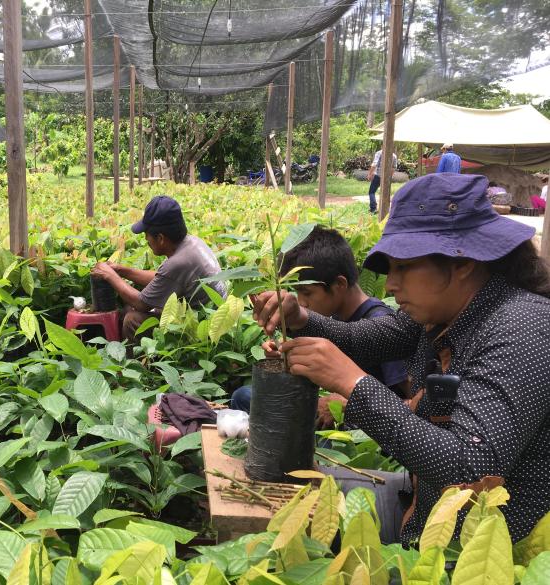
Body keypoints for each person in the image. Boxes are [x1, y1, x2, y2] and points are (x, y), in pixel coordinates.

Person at [253, 173, 550, 546]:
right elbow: (364, 338)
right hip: (418, 504)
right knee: (284, 493)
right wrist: (300, 319)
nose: (390, 285)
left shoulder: (521, 328)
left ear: (462, 262)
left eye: (403, 267)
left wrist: (353, 385)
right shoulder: (443, 313)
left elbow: (471, 467)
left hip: (460, 552)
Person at [230, 226, 409, 427]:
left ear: (339, 285)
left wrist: (348, 404)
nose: (301, 302)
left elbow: (405, 397)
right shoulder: (333, 316)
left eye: (307, 293)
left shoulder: (381, 321)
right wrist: (288, 356)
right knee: (244, 396)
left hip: (355, 427)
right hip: (328, 408)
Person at [92, 195, 226, 341]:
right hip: (212, 313)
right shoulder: (192, 243)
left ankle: (141, 363)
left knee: (132, 319)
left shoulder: (178, 262)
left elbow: (141, 303)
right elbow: (162, 277)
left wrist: (110, 276)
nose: (145, 239)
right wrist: (122, 270)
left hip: (205, 327)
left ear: (161, 238)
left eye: (146, 234)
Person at [367, 148, 398, 214]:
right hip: (387, 177)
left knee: (371, 192)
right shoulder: (394, 155)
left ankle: (373, 209)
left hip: (378, 176)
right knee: (386, 193)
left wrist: (370, 174)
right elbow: (394, 167)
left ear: (382, 145)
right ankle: (387, 209)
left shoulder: (379, 153)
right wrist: (390, 177)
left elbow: (374, 164)